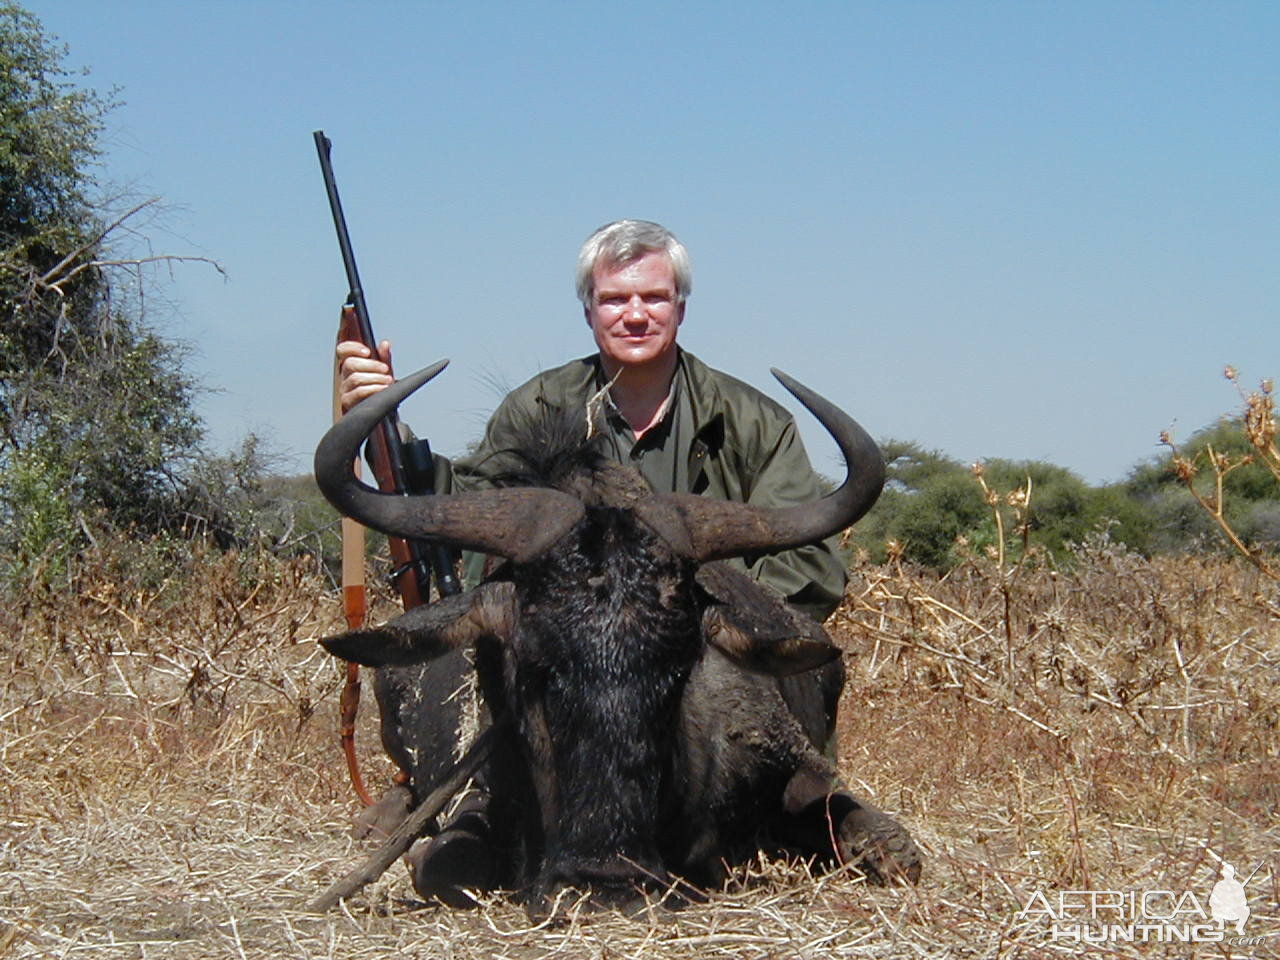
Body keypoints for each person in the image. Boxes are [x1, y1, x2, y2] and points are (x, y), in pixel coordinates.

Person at [335, 220, 852, 901]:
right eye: (614, 300)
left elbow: (808, 561)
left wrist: (686, 613)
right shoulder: (536, 408)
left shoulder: (756, 421)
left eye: (654, 297)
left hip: (686, 653)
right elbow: (475, 510)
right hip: (563, 659)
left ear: (681, 307)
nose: (635, 313)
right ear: (588, 310)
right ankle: (470, 803)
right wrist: (385, 425)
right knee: (465, 671)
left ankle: (800, 804)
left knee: (779, 686)